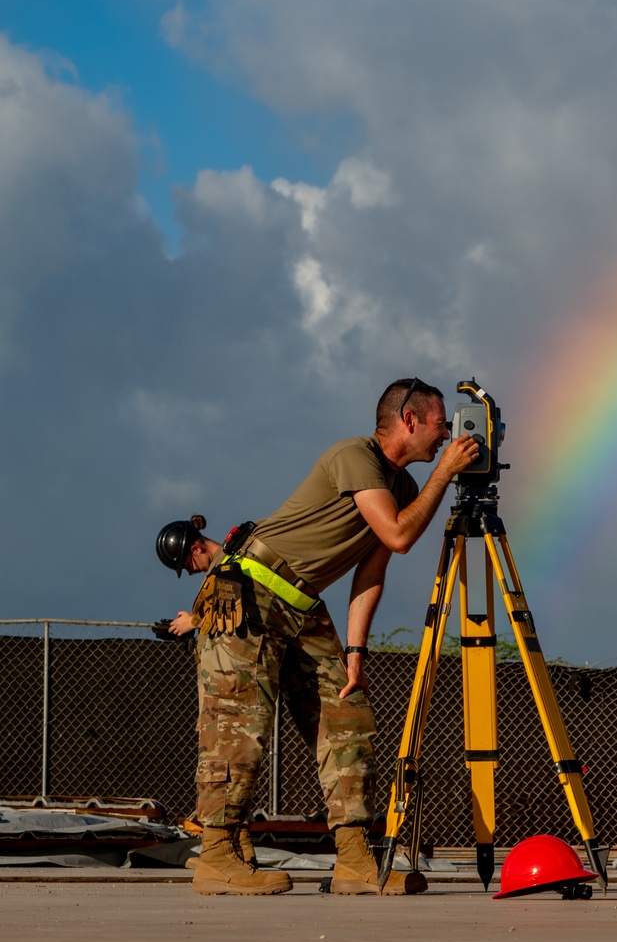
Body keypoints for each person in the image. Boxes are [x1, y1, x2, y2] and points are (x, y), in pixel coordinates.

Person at [190, 378, 479, 898]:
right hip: (250, 591)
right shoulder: (355, 455)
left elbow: (373, 569)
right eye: (442, 424)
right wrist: (445, 473)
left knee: (348, 718)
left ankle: (353, 860)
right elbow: (398, 534)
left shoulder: (405, 489)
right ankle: (216, 855)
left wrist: (355, 652)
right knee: (239, 727)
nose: (448, 436)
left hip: (302, 605)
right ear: (409, 420)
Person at [155, 515, 260, 869]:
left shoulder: (228, 565)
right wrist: (188, 625)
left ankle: (227, 852)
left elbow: (232, 614)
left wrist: (194, 620)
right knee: (226, 766)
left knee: (225, 766)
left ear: (197, 547)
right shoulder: (222, 567)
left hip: (231, 689)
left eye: (189, 563)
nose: (192, 569)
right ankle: (238, 849)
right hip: (220, 686)